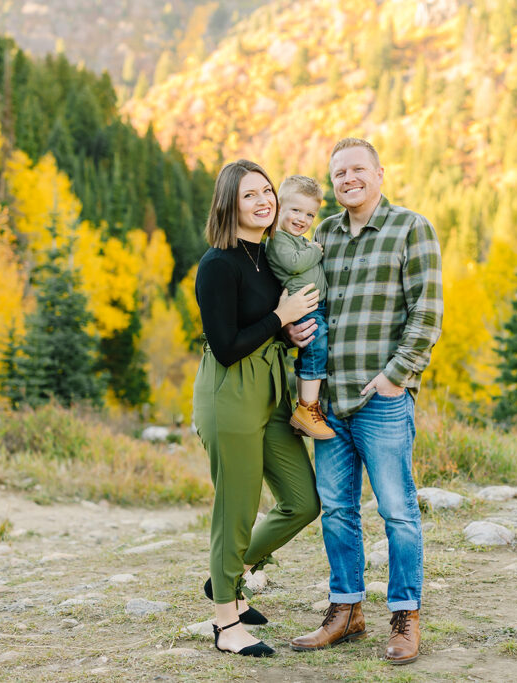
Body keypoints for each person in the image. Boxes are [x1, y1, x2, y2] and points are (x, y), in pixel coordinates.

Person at [289, 138, 443, 665]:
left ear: (380, 172)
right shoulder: (325, 234)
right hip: (328, 402)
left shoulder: (410, 228)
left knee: (398, 511)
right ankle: (346, 611)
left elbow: (427, 312)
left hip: (381, 399)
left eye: (357, 169)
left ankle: (404, 615)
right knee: (336, 510)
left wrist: (396, 377)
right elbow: (314, 304)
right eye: (338, 173)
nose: (347, 179)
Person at [192, 159, 321, 657]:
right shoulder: (218, 264)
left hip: (269, 388)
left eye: (267, 191)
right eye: (250, 195)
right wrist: (279, 316)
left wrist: (286, 332)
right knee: (236, 507)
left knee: (302, 500)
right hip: (229, 393)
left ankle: (229, 575)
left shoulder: (265, 257)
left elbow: (264, 328)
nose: (264, 201)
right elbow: (225, 345)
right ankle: (226, 621)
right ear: (229, 204)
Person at [265, 175, 335, 440]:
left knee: (318, 349)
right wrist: (316, 251)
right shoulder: (278, 239)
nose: (302, 219)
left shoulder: (299, 239)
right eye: (295, 210)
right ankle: (307, 407)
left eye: (309, 214)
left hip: (315, 306)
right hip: (305, 308)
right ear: (279, 207)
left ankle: (309, 407)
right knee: (314, 351)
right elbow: (294, 264)